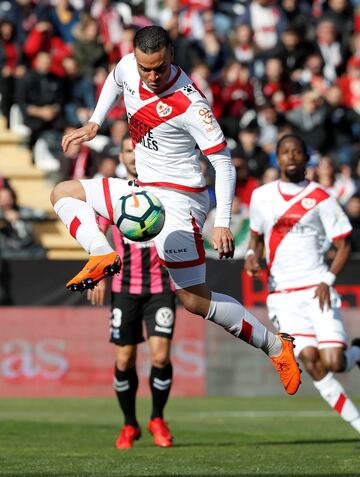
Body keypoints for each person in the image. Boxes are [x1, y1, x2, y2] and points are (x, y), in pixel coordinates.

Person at [51, 25, 301, 397]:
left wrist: (223, 221)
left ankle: (277, 346)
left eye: (159, 68)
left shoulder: (191, 104)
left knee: (193, 300)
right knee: (63, 192)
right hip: (144, 191)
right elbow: (115, 80)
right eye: (145, 68)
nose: (151, 76)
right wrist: (94, 122)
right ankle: (102, 253)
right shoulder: (129, 67)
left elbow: (224, 164)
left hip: (181, 201)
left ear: (171, 55)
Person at [245, 134, 360, 433]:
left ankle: (356, 353)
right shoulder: (262, 196)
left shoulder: (321, 196)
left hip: (315, 290)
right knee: (310, 359)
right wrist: (250, 255)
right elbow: (255, 238)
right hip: (282, 295)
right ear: (278, 158)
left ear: (306, 158)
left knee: (334, 361)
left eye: (297, 152)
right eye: (285, 152)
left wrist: (328, 279)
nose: (292, 156)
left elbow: (345, 244)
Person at [88, 134, 176, 449]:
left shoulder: (164, 189)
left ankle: (157, 417)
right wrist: (97, 275)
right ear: (121, 156)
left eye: (137, 150)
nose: (133, 156)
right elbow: (96, 237)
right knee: (125, 359)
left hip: (161, 286)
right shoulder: (111, 194)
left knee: (161, 355)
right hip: (124, 288)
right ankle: (129, 424)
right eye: (128, 150)